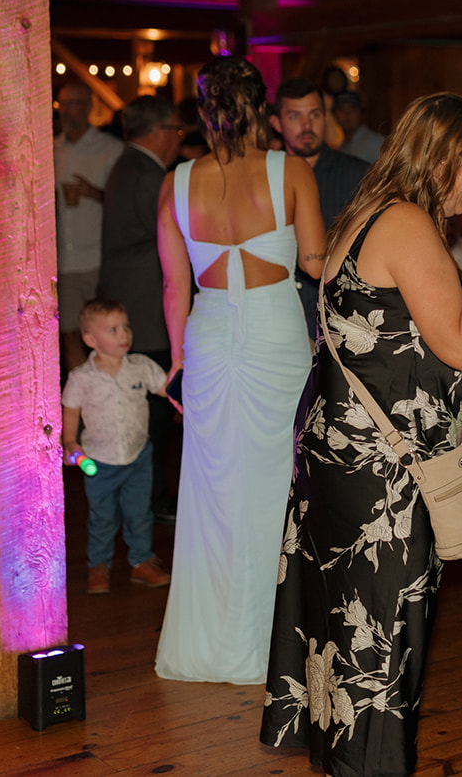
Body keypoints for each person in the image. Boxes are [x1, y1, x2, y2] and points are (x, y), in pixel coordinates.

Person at [261, 92, 462, 776]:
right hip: (381, 473)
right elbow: (455, 345)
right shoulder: (409, 221)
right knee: (384, 637)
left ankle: (346, 760)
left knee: (345, 625)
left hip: (341, 454)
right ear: (443, 158)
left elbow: (409, 320)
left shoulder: (371, 210)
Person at [155, 56, 325, 685]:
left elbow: (175, 288)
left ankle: (208, 645)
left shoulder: (175, 182)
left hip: (208, 336)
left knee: (212, 491)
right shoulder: (290, 172)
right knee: (280, 486)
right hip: (277, 335)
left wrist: (177, 360)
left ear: (203, 113)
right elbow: (314, 262)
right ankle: (275, 646)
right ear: (262, 109)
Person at [98, 94, 182, 521]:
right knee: (153, 411)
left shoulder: (128, 166)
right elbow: (171, 237)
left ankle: (147, 498)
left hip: (134, 300)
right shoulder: (147, 174)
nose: (178, 141)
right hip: (145, 308)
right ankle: (150, 500)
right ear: (158, 131)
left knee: (147, 409)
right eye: (176, 131)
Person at [60, 298, 172, 595]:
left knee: (140, 512)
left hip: (138, 456)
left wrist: (191, 395)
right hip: (100, 461)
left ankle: (141, 561)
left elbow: (169, 389)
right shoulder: (81, 377)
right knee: (102, 516)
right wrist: (69, 441)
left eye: (126, 327)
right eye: (113, 329)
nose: (124, 335)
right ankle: (99, 566)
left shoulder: (140, 367)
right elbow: (70, 410)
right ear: (90, 339)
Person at [270, 77, 369, 336]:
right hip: (279, 322)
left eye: (314, 114)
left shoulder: (357, 175)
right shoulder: (265, 177)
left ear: (326, 117)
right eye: (294, 116)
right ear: (276, 123)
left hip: (340, 324)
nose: (306, 125)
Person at [55, 82, 124, 371]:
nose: (68, 111)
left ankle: (107, 396)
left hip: (97, 257)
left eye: (75, 104)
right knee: (70, 333)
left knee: (104, 331)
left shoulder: (110, 149)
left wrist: (94, 193)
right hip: (62, 259)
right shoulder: (51, 149)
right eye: (64, 104)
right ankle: (79, 405)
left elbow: (124, 203)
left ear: (89, 108)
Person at [332, 90, 384, 163]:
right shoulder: (341, 148)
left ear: (361, 112)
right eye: (341, 109)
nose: (347, 114)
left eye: (352, 108)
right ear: (335, 115)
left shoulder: (376, 143)